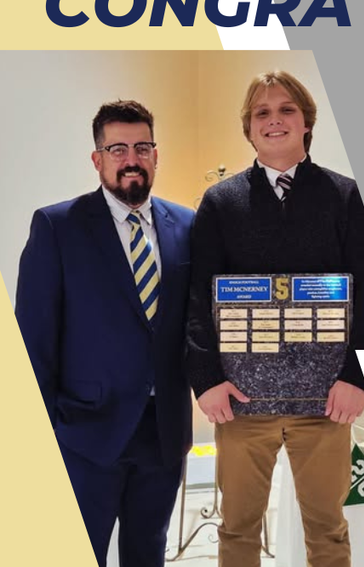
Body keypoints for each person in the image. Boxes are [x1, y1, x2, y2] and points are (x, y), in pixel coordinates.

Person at [186, 71, 364, 567]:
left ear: (306, 122)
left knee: (328, 532)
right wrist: (206, 380)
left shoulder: (347, 196)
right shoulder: (220, 202)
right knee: (237, 530)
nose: (274, 120)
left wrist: (357, 377)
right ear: (249, 128)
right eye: (262, 112)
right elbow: (197, 298)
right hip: (241, 402)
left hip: (326, 402)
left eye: (285, 109)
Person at [15, 101, 194, 567]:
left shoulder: (187, 226)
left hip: (163, 433)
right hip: (85, 433)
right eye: (117, 149)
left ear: (156, 155)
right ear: (97, 159)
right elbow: (34, 340)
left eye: (142, 147)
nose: (131, 159)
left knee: (148, 554)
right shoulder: (57, 226)